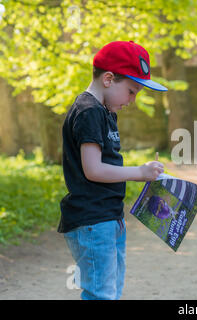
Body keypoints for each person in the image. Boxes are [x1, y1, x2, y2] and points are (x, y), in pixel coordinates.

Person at [58, 41, 167, 300]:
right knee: (101, 295)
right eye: (132, 91)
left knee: (110, 292)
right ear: (108, 79)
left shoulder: (104, 112)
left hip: (108, 217)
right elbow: (93, 170)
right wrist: (139, 172)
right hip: (93, 220)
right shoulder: (89, 111)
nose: (133, 100)